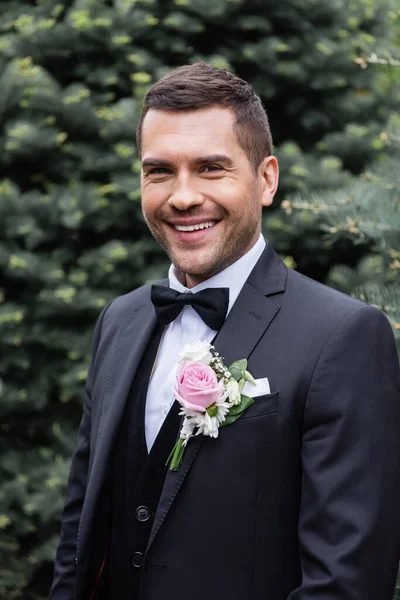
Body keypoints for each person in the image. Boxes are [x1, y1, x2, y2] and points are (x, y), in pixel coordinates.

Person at [50, 63, 400, 600]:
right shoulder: (119, 320)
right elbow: (81, 532)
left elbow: (347, 580)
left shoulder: (344, 336)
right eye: (159, 171)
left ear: (266, 179)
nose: (183, 196)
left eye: (211, 168)